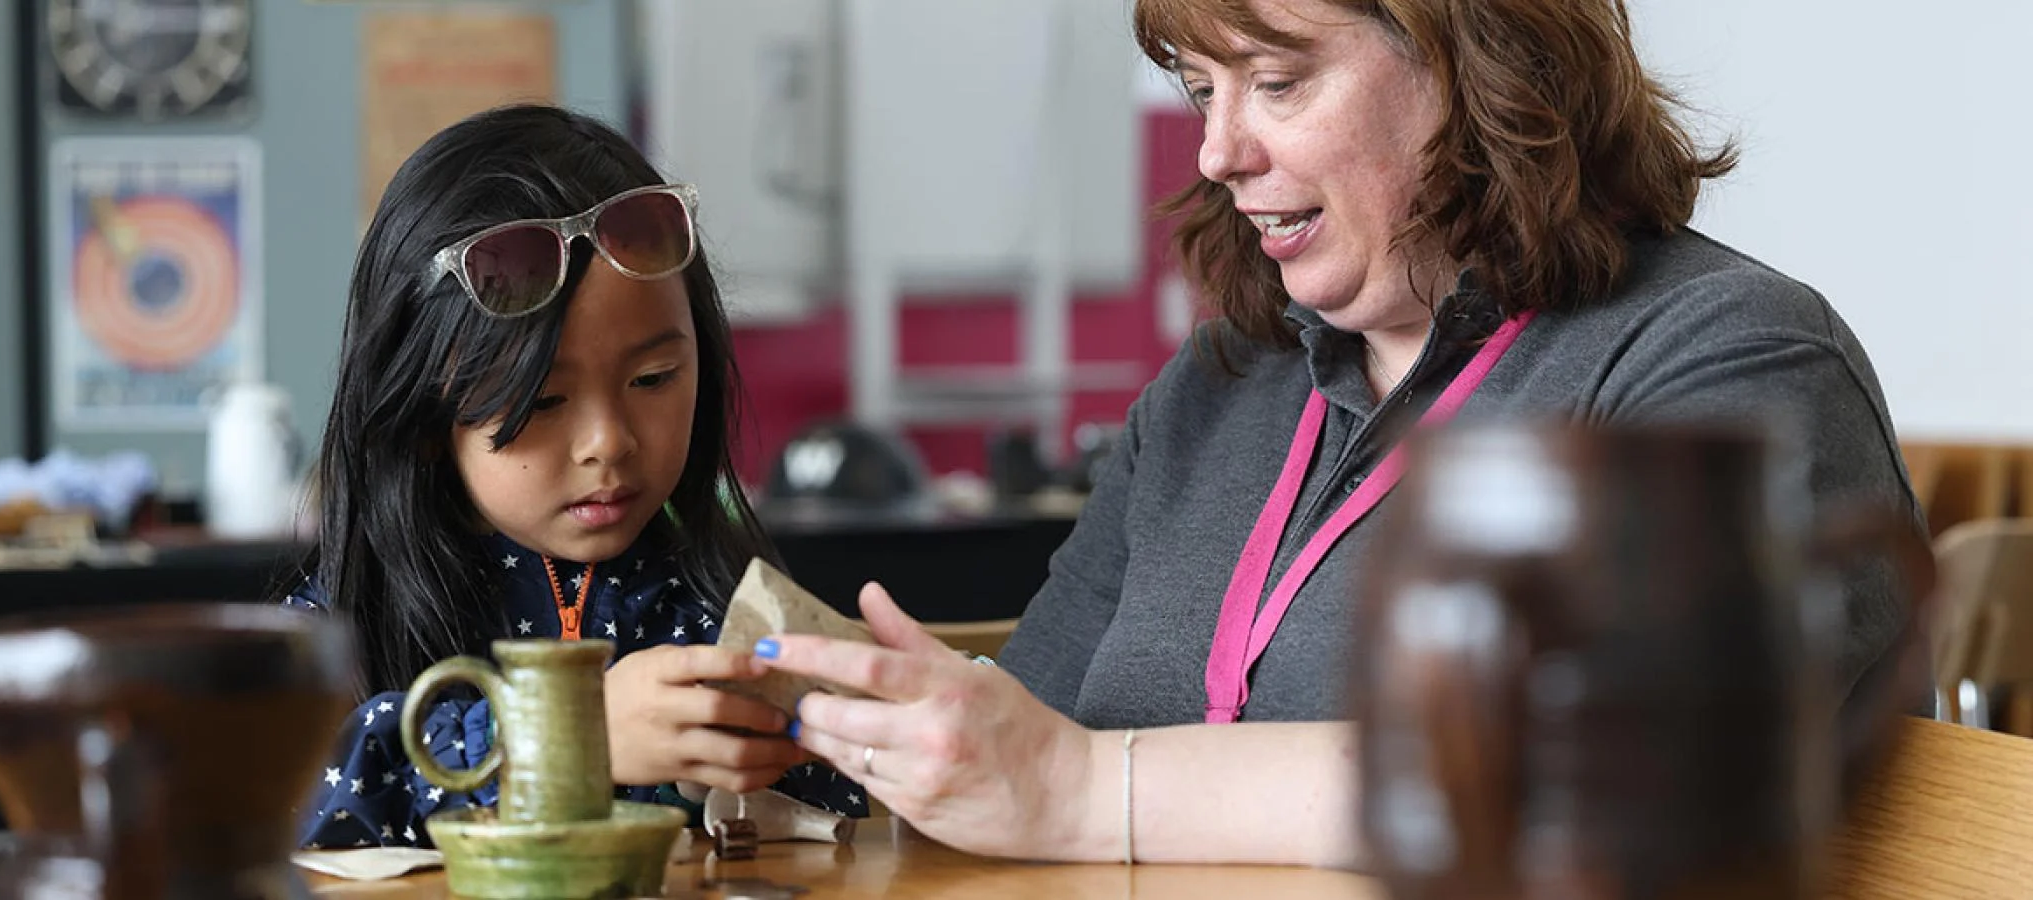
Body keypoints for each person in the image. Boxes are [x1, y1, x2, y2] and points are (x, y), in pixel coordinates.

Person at [755, 0, 1925, 868]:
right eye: (1199, 86)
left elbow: (1623, 792)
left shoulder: (1729, 355)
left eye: (1274, 80)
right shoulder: (1215, 386)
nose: (1216, 152)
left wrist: (1078, 789)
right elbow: (1035, 733)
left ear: (1479, 62)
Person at [284, 104, 866, 849]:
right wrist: (566, 738)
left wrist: (844, 725)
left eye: (654, 379)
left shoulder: (716, 616)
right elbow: (275, 798)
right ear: (427, 423)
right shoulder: (339, 627)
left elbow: (847, 822)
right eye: (545, 400)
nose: (608, 443)